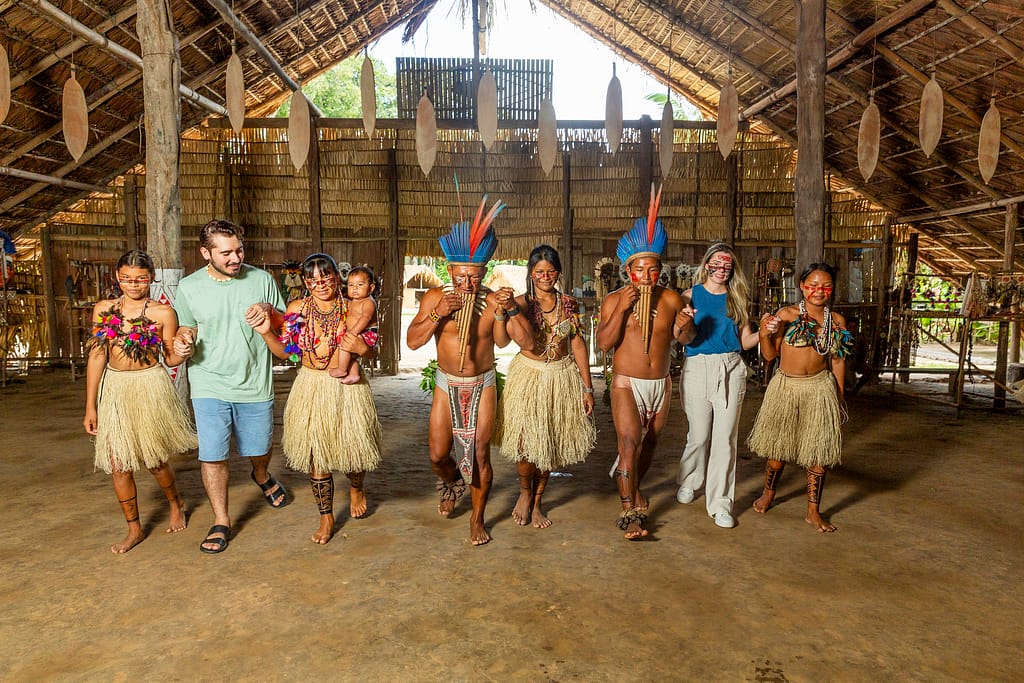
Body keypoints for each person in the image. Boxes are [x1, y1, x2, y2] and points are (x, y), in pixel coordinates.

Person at [406, 196, 533, 545]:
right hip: (447, 383)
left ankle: (477, 520)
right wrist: (437, 315)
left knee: (478, 454)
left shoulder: (492, 300)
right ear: (450, 272)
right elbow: (414, 342)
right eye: (462, 277)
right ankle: (451, 482)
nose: (468, 284)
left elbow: (503, 344)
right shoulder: (434, 297)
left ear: (484, 273)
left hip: (483, 383)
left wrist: (505, 312)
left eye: (475, 277)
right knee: (437, 454)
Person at [172, 218, 288, 554]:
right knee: (212, 454)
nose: (235, 258)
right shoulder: (190, 287)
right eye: (225, 253)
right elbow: (186, 328)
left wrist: (269, 311)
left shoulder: (262, 280)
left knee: (259, 448)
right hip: (208, 382)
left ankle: (262, 475)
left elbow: (284, 326)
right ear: (205, 253)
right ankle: (221, 519)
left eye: (239, 250)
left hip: (254, 381)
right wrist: (183, 343)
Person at [252, 253, 381, 544]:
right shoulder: (298, 308)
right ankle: (326, 517)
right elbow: (285, 352)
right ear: (305, 281)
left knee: (353, 452)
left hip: (346, 388)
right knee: (317, 456)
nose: (320, 283)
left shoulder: (355, 307)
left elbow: (373, 351)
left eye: (326, 277)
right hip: (310, 385)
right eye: (312, 279)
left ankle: (356, 486)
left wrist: (361, 346)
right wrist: (265, 333)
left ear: (338, 277)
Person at [83, 250, 197, 554]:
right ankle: (133, 528)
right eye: (127, 279)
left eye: (141, 279)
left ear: (151, 278)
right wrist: (90, 406)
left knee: (155, 460)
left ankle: (175, 502)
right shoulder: (103, 310)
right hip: (116, 388)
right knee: (119, 464)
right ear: (118, 277)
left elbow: (171, 358)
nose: (133, 285)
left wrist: (183, 351)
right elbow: (97, 355)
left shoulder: (162, 313)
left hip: (149, 384)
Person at [596, 187, 693, 540]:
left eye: (653, 269)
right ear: (628, 270)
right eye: (640, 270)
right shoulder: (613, 300)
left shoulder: (672, 298)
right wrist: (622, 309)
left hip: (661, 384)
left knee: (649, 445)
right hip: (626, 383)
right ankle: (630, 514)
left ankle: (633, 485)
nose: (647, 276)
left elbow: (686, 340)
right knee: (628, 442)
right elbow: (603, 344)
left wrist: (687, 327)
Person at [494, 245, 596, 529]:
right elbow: (502, 342)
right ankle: (525, 493)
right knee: (527, 443)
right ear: (531, 273)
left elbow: (577, 343)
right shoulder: (521, 303)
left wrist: (587, 388)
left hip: (561, 377)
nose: (545, 276)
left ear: (558, 272)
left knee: (547, 444)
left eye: (550, 271)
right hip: (529, 376)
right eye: (539, 272)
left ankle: (538, 502)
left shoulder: (569, 304)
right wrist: (503, 311)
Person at [747, 262, 853, 533]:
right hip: (786, 387)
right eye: (813, 285)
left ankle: (812, 511)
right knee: (778, 450)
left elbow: (838, 362)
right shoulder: (787, 315)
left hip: (820, 388)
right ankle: (769, 493)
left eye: (825, 286)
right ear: (803, 287)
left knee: (819, 452)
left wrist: (839, 398)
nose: (819, 290)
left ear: (832, 289)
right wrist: (762, 334)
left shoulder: (836, 322)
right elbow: (771, 356)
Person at [675, 244, 759, 529]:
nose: (721, 269)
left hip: (731, 366)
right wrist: (684, 320)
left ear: (732, 270)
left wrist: (766, 332)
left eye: (727, 266)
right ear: (706, 265)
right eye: (717, 264)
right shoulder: (689, 295)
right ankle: (689, 480)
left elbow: (745, 341)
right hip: (698, 366)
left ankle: (720, 503)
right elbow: (681, 337)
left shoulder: (738, 299)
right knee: (698, 436)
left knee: (725, 439)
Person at [330, 265, 378, 385]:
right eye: (351, 285)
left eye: (360, 285)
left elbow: (365, 318)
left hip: (367, 333)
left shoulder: (368, 302)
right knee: (350, 356)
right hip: (358, 333)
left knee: (345, 346)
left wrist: (353, 332)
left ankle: (341, 369)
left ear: (371, 288)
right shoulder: (352, 302)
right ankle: (354, 374)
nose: (355, 288)